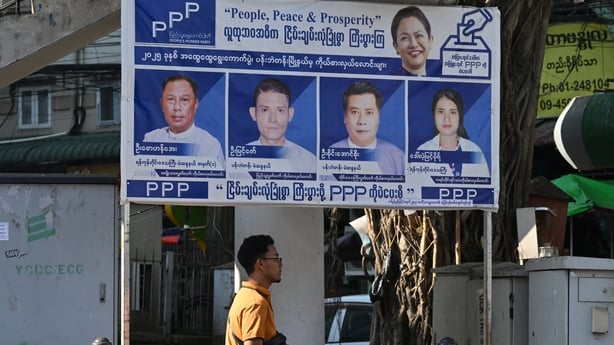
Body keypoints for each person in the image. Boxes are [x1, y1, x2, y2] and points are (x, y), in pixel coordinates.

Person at [143, 74, 225, 168]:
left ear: (195, 105)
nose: (177, 107)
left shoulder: (209, 145)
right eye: (171, 99)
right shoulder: (151, 139)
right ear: (162, 104)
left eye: (184, 100)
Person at [330, 80, 404, 175]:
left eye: (369, 113)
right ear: (345, 117)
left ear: (378, 117)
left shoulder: (397, 157)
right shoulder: (330, 155)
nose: (361, 121)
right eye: (355, 112)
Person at [226, 235, 286, 345]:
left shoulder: (244, 295)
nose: (281, 264)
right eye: (276, 258)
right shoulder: (255, 303)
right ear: (260, 263)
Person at [246, 78, 316, 172]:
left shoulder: (309, 162)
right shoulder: (239, 160)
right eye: (265, 110)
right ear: (253, 113)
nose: (273, 119)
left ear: (290, 114)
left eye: (280, 110)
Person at [417, 88, 489, 177]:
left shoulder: (474, 151)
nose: (446, 118)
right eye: (440, 112)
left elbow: (483, 189)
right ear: (434, 115)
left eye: (453, 112)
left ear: (460, 116)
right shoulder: (422, 151)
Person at [390, 5, 435, 77]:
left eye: (419, 36)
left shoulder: (440, 83)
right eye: (404, 38)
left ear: (430, 40)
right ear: (395, 46)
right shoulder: (390, 85)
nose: (413, 44)